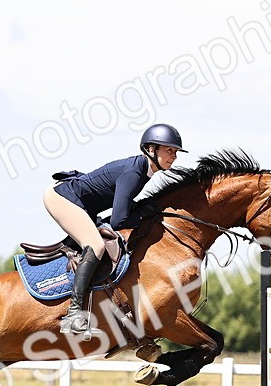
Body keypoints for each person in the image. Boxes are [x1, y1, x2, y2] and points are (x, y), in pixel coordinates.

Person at [44, 123, 186, 336]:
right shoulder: (134, 173)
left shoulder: (143, 171)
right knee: (96, 245)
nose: (174, 156)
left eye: (175, 152)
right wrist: (142, 214)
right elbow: (120, 220)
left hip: (81, 203)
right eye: (169, 150)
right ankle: (73, 315)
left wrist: (139, 211)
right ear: (150, 149)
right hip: (62, 196)